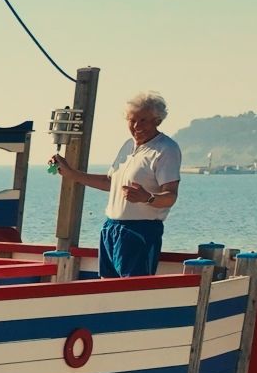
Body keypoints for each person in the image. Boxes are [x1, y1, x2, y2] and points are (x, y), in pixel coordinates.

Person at [49, 91, 182, 278]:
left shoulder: (166, 149)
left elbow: (170, 196)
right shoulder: (128, 145)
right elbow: (110, 182)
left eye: (143, 120)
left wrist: (147, 198)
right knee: (107, 285)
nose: (137, 126)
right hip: (111, 228)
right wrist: (71, 174)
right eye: (132, 120)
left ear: (157, 121)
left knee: (132, 288)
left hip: (140, 231)